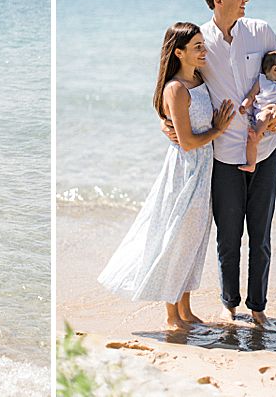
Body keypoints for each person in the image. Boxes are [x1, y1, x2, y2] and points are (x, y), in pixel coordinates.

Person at [165, 0, 276, 328]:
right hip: (222, 153)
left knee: (261, 234)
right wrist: (170, 123)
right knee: (228, 237)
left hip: (266, 148)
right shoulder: (201, 42)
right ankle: (229, 305)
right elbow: (177, 81)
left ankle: (258, 308)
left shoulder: (261, 31)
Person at [100, 22, 235, 329]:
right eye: (197, 47)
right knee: (176, 239)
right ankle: (172, 316)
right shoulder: (175, 89)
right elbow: (187, 142)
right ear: (179, 52)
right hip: (186, 171)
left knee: (193, 240)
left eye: (204, 44)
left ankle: (186, 310)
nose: (204, 51)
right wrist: (218, 130)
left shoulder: (200, 78)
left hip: (204, 169)